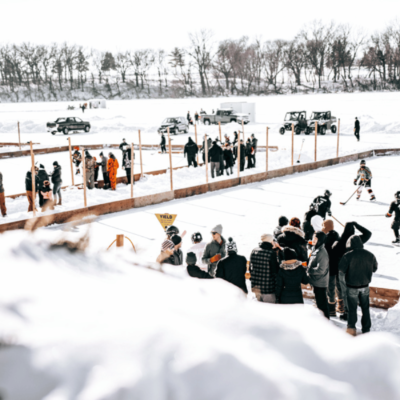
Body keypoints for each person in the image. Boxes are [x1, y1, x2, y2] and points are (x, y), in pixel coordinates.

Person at [339, 234, 378, 336]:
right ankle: (366, 329)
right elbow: (374, 268)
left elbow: (341, 270)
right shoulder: (370, 254)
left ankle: (351, 329)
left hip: (352, 286)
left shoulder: (347, 255)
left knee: (352, 309)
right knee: (365, 308)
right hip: (365, 286)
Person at [332, 221, 371, 321]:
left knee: (343, 292)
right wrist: (356, 224)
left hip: (342, 271)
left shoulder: (339, 242)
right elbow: (368, 233)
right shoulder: (358, 241)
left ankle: (345, 311)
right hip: (356, 270)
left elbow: (333, 253)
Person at [249, 233, 279, 303]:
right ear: (270, 241)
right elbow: (275, 271)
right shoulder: (271, 253)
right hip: (268, 287)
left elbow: (251, 268)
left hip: (256, 286)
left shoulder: (254, 250)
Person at [307, 231, 330, 319]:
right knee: (319, 303)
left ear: (320, 240)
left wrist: (308, 270)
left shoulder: (322, 253)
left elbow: (321, 270)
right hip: (316, 281)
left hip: (320, 282)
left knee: (322, 305)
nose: (313, 240)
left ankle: (326, 321)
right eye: (313, 237)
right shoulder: (315, 248)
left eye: (315, 238)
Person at [322, 219, 341, 317]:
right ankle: (341, 306)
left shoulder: (326, 239)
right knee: (339, 287)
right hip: (338, 265)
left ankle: (331, 309)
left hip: (329, 266)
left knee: (330, 288)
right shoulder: (337, 236)